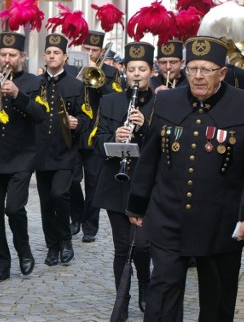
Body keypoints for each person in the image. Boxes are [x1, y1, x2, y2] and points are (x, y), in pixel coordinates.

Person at [126, 36, 244, 321]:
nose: (198, 76)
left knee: (217, 299)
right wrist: (137, 203)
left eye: (206, 69)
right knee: (162, 294)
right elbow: (150, 156)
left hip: (221, 220)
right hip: (169, 216)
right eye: (192, 68)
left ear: (222, 72)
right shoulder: (166, 100)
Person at [93, 41, 155, 319]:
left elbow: (166, 145)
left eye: (142, 69)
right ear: (125, 72)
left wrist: (145, 128)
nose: (137, 74)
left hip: (149, 185)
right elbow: (95, 140)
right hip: (116, 182)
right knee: (121, 247)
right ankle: (122, 299)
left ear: (151, 71)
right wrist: (112, 138)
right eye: (132, 69)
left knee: (141, 245)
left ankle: (144, 282)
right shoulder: (110, 101)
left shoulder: (161, 103)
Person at [0, 31, 45, 282]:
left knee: (14, 208)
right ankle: (1, 263)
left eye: (12, 55)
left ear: (22, 56)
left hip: (21, 156)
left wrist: (18, 95)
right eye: (3, 54)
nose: (7, 59)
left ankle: (24, 250)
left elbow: (40, 114)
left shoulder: (33, 82)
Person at [35, 33, 87, 266]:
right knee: (46, 202)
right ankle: (52, 246)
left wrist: (79, 123)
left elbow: (87, 116)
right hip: (41, 151)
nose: (52, 56)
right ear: (45, 57)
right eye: (49, 53)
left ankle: (66, 241)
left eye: (57, 53)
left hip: (66, 151)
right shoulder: (37, 84)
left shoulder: (76, 85)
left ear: (65, 57)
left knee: (59, 195)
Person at [70, 30, 122, 243]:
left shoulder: (110, 72)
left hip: (95, 132)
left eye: (94, 50)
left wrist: (100, 83)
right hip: (75, 131)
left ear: (101, 51)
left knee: (93, 182)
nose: (90, 53)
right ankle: (76, 217)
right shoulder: (73, 68)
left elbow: (117, 99)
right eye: (87, 49)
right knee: (71, 180)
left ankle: (90, 227)